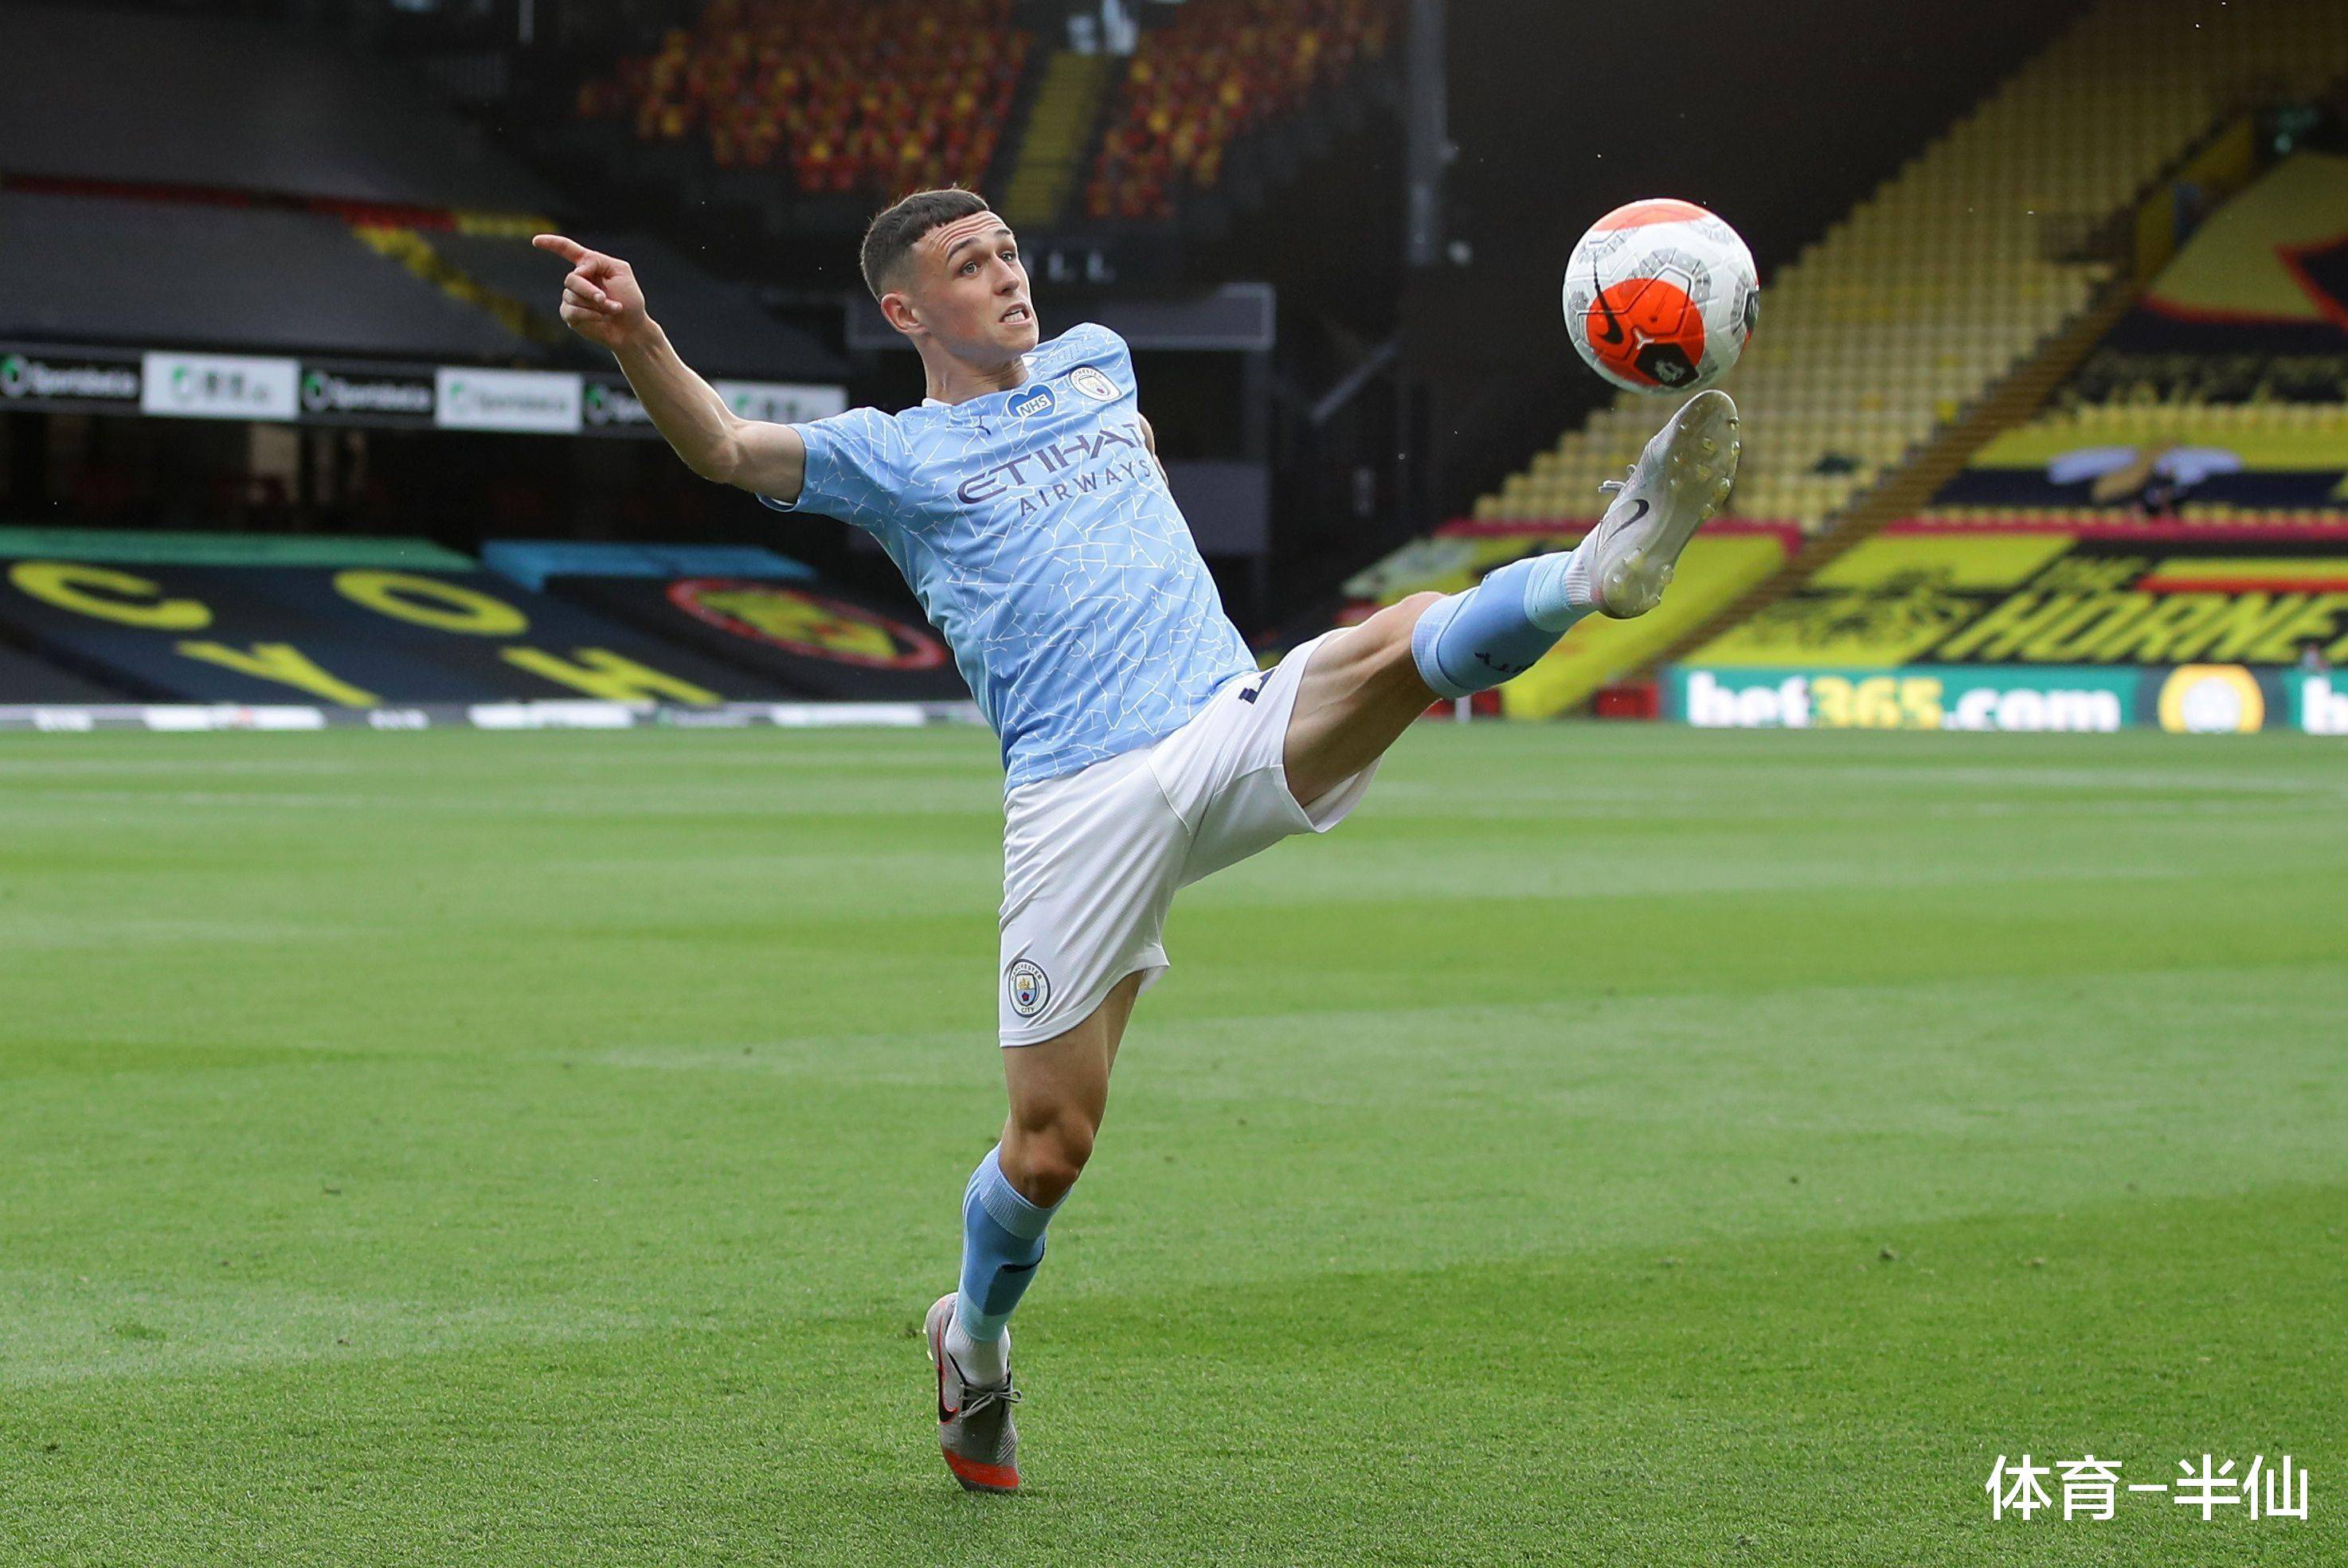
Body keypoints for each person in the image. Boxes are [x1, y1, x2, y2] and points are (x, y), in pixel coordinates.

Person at [533, 189, 1739, 1493]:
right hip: (1078, 802)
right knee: (1050, 1144)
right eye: (969, 264)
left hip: (1222, 719)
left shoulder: (1099, 361)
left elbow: (1137, 473)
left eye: (1008, 250)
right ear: (905, 310)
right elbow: (724, 448)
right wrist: (636, 334)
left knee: (1399, 642)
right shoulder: (893, 455)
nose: (1008, 274)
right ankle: (972, 1339)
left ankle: (1590, 570)